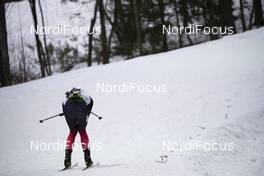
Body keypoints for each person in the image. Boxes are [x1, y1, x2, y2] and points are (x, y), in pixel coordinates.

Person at [62, 87, 93, 169]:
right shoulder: (86, 95)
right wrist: (85, 116)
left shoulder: (67, 97)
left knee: (72, 132)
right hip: (82, 110)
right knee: (82, 131)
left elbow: (63, 106)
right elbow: (90, 106)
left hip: (68, 110)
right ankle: (87, 159)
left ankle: (67, 158)